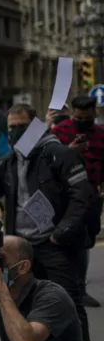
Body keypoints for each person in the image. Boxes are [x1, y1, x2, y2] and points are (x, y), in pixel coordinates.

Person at [0, 104, 94, 341]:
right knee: (24, 305)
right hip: (21, 247)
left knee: (68, 304)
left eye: (22, 127)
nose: (16, 132)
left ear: (36, 126)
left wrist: (60, 234)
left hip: (54, 244)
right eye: (11, 128)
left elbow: (81, 197)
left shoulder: (59, 154)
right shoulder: (9, 162)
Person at [50, 94, 104, 308]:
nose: (83, 121)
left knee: (85, 242)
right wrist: (69, 151)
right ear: (73, 114)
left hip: (91, 196)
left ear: (94, 114)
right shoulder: (60, 131)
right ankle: (64, 288)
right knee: (64, 238)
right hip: (65, 196)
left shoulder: (101, 134)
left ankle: (79, 289)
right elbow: (50, 163)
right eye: (79, 117)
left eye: (87, 118)